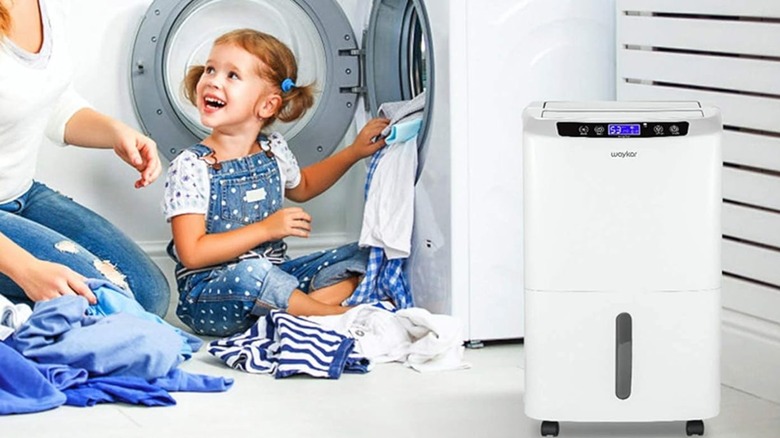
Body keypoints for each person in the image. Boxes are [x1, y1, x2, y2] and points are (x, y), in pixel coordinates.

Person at [163, 28, 389, 336]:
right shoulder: (192, 166)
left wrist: (353, 152)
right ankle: (325, 315)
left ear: (267, 106)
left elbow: (304, 186)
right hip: (211, 294)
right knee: (253, 273)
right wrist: (266, 229)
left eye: (232, 75)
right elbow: (192, 253)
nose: (213, 80)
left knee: (366, 254)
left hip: (275, 276)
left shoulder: (273, 149)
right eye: (211, 69)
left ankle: (294, 312)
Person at [0, 0, 170, 317]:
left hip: (21, 194)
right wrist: (25, 269)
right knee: (111, 307)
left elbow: (50, 100)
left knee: (150, 296)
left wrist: (116, 132)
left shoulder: (46, 7)